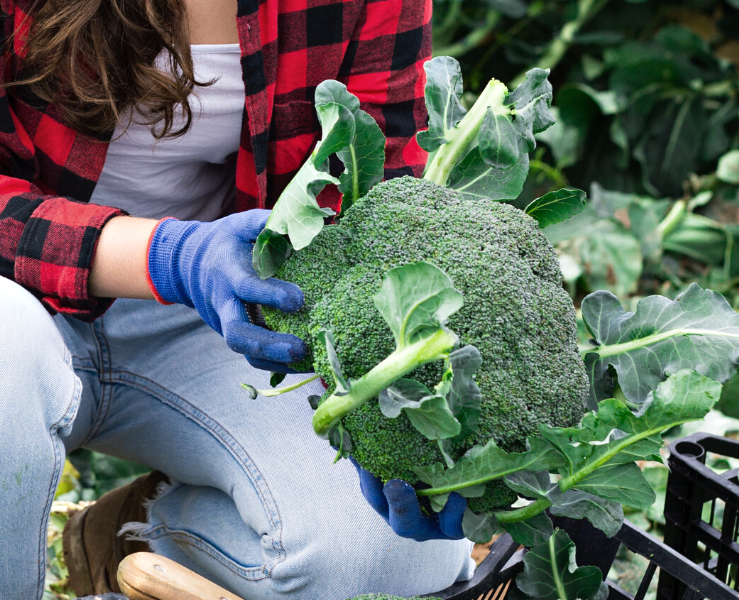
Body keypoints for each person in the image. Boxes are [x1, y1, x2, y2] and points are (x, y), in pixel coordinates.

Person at [0, 0, 473, 598]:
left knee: (389, 559)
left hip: (220, 308)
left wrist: (404, 395)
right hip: (21, 298)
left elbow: (381, 198)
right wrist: (171, 255)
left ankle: (136, 539)